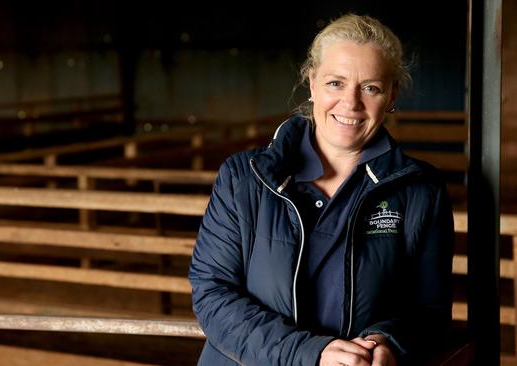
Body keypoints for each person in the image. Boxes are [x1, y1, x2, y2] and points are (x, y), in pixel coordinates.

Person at [188, 14, 454, 366]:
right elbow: (212, 293)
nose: (351, 103)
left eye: (370, 88)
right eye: (335, 83)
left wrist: (388, 342)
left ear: (391, 96)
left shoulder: (422, 191)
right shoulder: (244, 177)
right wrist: (310, 353)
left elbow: (429, 311)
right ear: (312, 83)